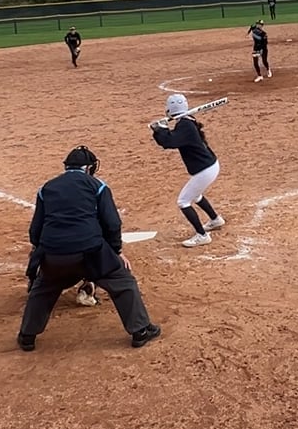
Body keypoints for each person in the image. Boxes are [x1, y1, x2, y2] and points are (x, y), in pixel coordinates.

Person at [17, 146, 161, 351]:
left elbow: (35, 230)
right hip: (90, 252)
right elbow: (112, 223)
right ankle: (141, 331)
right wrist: (116, 252)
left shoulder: (46, 188)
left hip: (54, 254)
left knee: (43, 287)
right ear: (88, 168)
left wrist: (42, 253)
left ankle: (27, 336)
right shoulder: (98, 186)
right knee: (123, 281)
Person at [150, 93, 225, 247]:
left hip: (205, 170)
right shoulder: (187, 121)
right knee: (195, 195)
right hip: (208, 166)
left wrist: (160, 130)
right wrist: (160, 130)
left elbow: (169, 142)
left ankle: (202, 235)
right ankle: (215, 219)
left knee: (183, 201)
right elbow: (172, 138)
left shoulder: (185, 125)